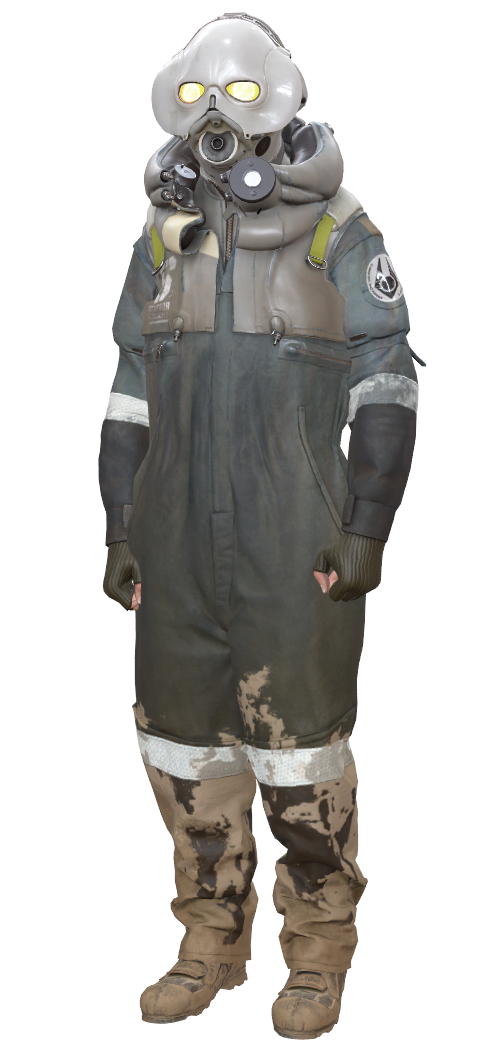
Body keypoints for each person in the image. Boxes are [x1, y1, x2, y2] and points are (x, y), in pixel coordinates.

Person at [99, 13, 419, 1039]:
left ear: (281, 105)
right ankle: (209, 940)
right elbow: (129, 393)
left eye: (241, 96)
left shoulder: (339, 233)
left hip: (294, 542)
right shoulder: (161, 240)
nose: (219, 119)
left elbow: (385, 382)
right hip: (175, 545)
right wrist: (120, 527)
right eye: (199, 99)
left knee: (301, 758)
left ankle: (317, 953)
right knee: (184, 752)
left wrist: (365, 524)